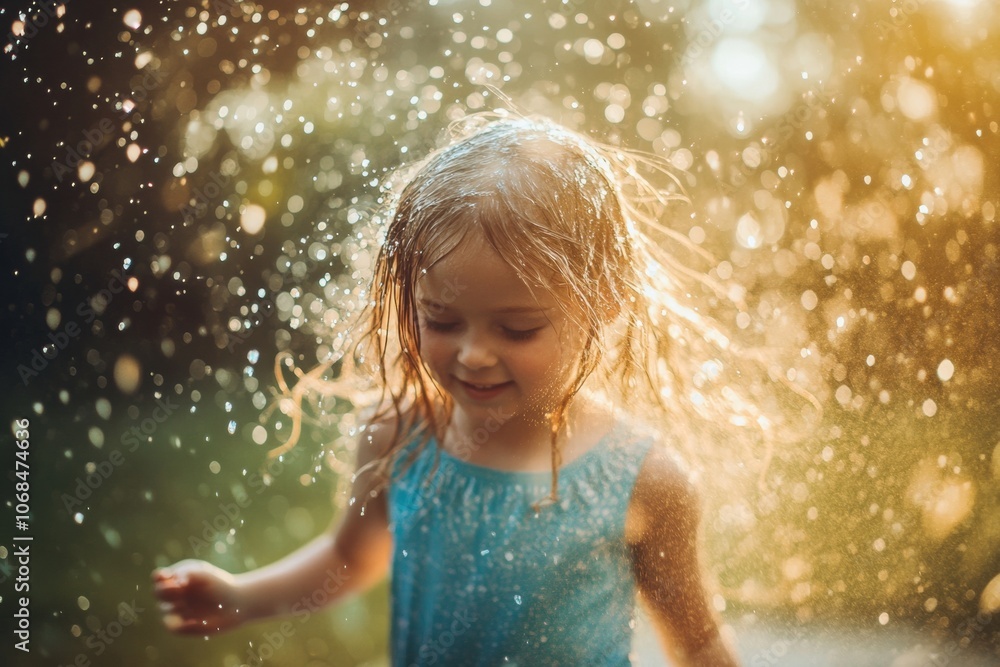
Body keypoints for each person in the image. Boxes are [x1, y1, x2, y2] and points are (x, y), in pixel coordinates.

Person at [153, 114, 742, 666]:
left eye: (517, 329)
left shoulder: (643, 479)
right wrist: (242, 597)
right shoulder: (397, 437)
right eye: (441, 319)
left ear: (603, 299)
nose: (473, 354)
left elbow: (698, 642)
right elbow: (348, 558)